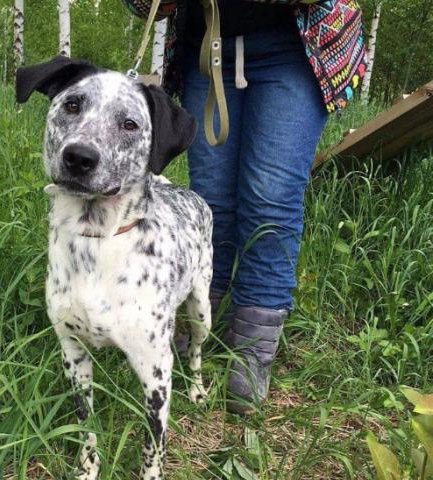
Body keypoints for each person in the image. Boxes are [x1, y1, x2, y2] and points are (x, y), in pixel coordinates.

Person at [125, 0, 367, 414]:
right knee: (211, 198)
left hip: (295, 47)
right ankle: (205, 322)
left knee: (271, 197)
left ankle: (253, 346)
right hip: (208, 46)